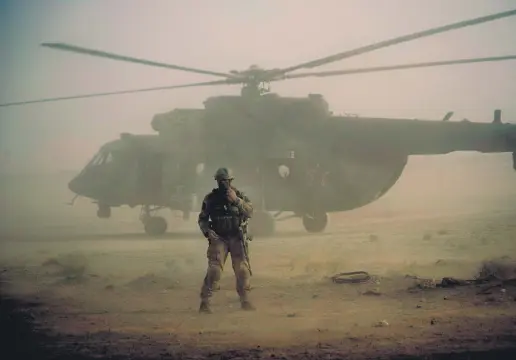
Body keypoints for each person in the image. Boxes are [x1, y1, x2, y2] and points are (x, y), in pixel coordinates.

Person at [197, 167, 255, 314]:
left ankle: (245, 300)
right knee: (215, 270)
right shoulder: (211, 199)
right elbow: (203, 219)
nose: (223, 183)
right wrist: (208, 232)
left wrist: (236, 201)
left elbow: (250, 211)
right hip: (219, 238)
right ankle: (205, 301)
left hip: (236, 237)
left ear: (230, 181)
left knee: (242, 271)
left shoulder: (240, 195)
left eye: (226, 181)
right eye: (220, 181)